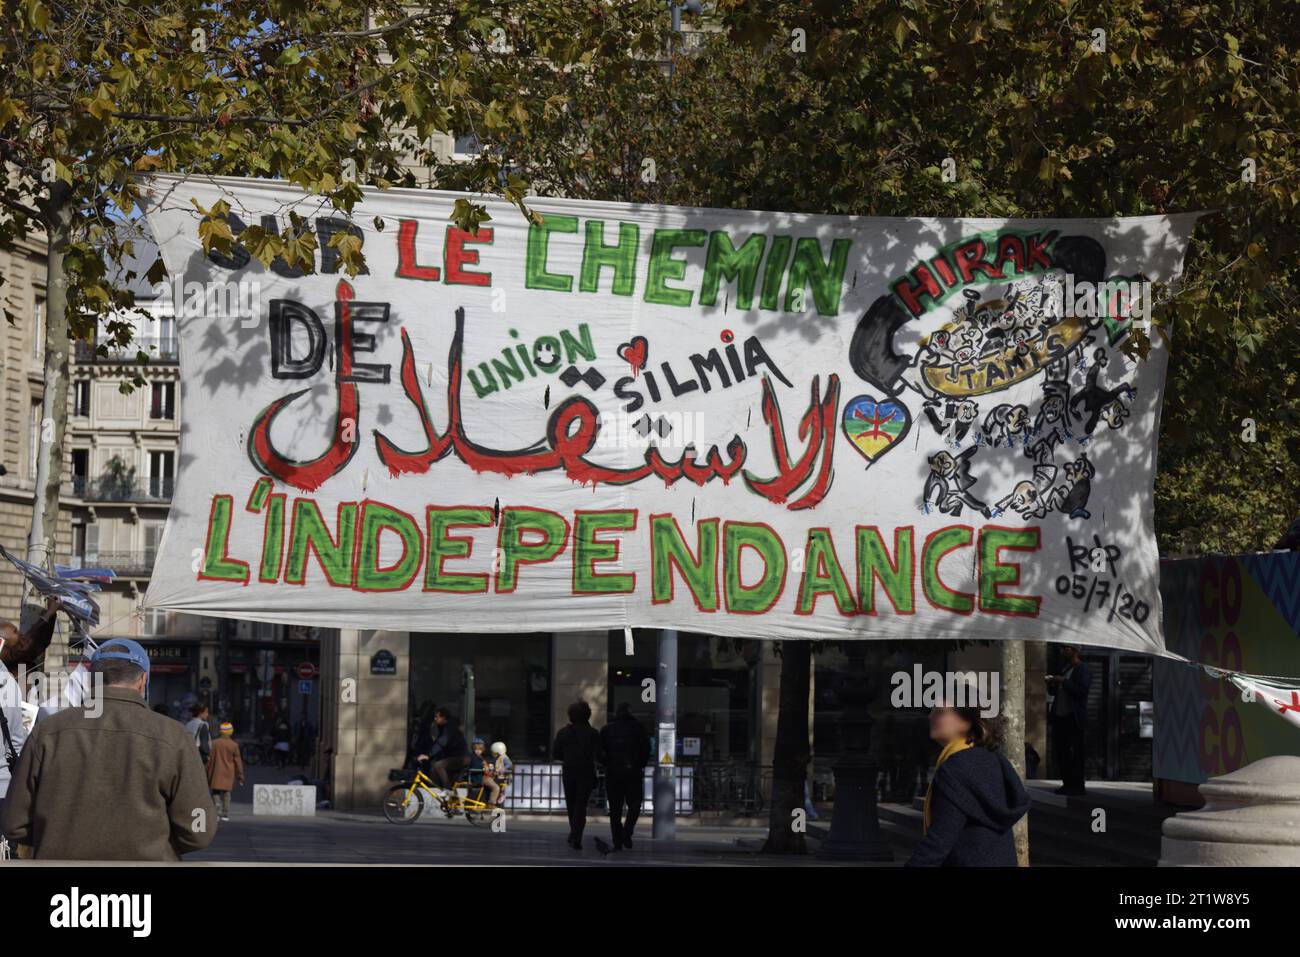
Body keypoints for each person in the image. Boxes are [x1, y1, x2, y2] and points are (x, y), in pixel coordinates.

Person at [0, 638, 217, 860]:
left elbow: (14, 822)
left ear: (92, 680)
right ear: (143, 681)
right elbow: (198, 830)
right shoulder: (175, 737)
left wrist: (54, 838)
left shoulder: (47, 732)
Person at [906, 702, 1030, 867]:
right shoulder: (991, 758)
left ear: (966, 721)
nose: (930, 716)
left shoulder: (955, 769)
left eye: (940, 711)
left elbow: (939, 842)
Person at [598, 703, 649, 850]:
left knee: (615, 809)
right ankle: (627, 831)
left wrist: (606, 763)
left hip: (613, 773)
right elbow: (645, 749)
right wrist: (640, 764)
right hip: (633, 772)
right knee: (635, 804)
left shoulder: (607, 729)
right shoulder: (638, 728)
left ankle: (617, 840)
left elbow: (600, 752)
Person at [553, 700, 602, 850]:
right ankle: (576, 834)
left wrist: (569, 758)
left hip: (569, 771)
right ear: (587, 715)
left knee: (572, 804)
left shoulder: (563, 733)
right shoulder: (593, 733)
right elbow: (599, 755)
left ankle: (574, 833)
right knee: (581, 805)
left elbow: (556, 754)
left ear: (571, 716)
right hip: (586, 771)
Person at [1046, 644, 1092, 795]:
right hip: (1060, 716)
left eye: (1066, 648)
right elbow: (1054, 692)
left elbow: (1082, 691)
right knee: (1062, 753)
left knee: (1075, 753)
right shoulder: (1065, 669)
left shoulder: (1082, 669)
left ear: (1075, 651)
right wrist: (1052, 683)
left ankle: (1078, 786)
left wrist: (1063, 681)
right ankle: (1067, 784)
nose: (1062, 651)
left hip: (1073, 717)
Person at [415, 707, 469, 792]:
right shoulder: (444, 728)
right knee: (433, 767)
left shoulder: (449, 728)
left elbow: (441, 743)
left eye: (437, 717)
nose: (435, 719)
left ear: (443, 718)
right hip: (454, 757)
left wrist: (428, 755)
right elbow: (438, 743)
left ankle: (447, 790)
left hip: (461, 757)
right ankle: (437, 791)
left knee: (439, 765)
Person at [207, 722, 245, 821]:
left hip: (216, 771)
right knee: (227, 794)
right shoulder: (234, 745)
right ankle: (225, 813)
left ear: (221, 731)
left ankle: (217, 811)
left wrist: (206, 772)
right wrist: (240, 776)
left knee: (215, 792)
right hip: (229, 773)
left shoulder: (214, 743)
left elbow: (209, 759)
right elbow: (238, 761)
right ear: (231, 732)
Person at [185, 703, 212, 767]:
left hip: (189, 755)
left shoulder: (188, 724)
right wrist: (208, 755)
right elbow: (204, 745)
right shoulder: (203, 724)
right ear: (200, 713)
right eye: (206, 712)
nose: (207, 714)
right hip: (200, 757)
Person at [488, 741, 512, 807]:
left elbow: (509, 765)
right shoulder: (499, 758)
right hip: (499, 776)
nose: (494, 754)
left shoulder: (504, 758)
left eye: (495, 753)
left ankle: (495, 801)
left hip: (503, 777)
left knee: (497, 788)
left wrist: (503, 769)